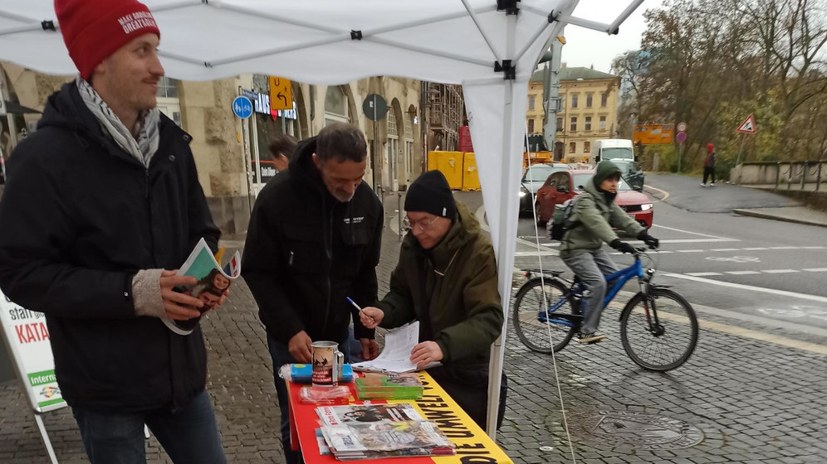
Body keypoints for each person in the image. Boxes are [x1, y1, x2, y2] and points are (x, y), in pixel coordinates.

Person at [0, 0, 227, 463]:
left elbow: (202, 232)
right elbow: (19, 272)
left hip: (180, 375)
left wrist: (203, 280)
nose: (158, 67)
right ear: (99, 59)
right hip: (104, 386)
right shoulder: (43, 159)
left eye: (156, 50)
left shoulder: (171, 145)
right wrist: (133, 292)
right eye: (142, 51)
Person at [242, 122, 383, 464]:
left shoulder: (367, 204)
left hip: (337, 336)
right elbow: (258, 270)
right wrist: (289, 328)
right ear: (318, 162)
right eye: (340, 181)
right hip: (291, 337)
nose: (350, 188)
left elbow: (365, 271)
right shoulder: (277, 198)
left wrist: (364, 329)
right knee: (297, 422)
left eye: (358, 178)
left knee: (341, 414)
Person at [359, 170, 507, 430]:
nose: (416, 231)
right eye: (410, 222)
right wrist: (384, 312)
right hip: (425, 367)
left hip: (469, 371)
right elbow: (403, 294)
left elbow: (489, 318)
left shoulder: (477, 251)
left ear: (446, 215)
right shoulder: (413, 245)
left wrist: (443, 346)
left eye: (424, 222)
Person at [559, 160, 660, 344]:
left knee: (614, 279)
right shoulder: (585, 200)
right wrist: (616, 242)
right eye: (609, 180)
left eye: (616, 180)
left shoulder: (606, 200)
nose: (614, 184)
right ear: (599, 181)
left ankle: (587, 305)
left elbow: (623, 219)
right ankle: (586, 331)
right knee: (598, 284)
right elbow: (597, 223)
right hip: (574, 249)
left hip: (593, 249)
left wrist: (643, 234)